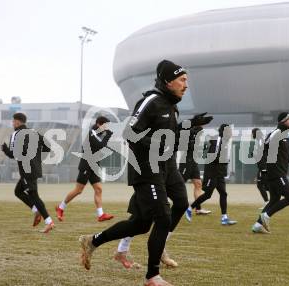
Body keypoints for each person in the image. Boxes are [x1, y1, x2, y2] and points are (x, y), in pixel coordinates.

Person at [79, 60, 211, 286]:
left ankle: (93, 241)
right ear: (168, 81)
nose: (186, 84)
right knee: (161, 217)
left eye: (186, 80)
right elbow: (130, 133)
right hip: (147, 169)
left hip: (166, 167)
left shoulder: (171, 105)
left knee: (172, 207)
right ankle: (152, 276)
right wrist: (156, 143)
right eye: (182, 79)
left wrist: (189, 126)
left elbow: (167, 136)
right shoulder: (150, 101)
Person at [1, 112, 55, 233]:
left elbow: (13, 154)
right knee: (18, 191)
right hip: (34, 168)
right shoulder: (34, 132)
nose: (12, 124)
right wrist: (35, 157)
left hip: (27, 170)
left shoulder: (16, 134)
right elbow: (47, 147)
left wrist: (4, 149)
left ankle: (49, 222)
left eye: (13, 121)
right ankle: (36, 211)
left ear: (18, 122)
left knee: (34, 195)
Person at [55, 116, 114, 222]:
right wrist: (108, 135)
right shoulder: (92, 133)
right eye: (105, 124)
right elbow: (101, 145)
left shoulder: (98, 133)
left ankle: (100, 215)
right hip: (86, 166)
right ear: (99, 124)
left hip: (94, 166)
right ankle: (60, 207)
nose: (107, 127)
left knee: (98, 189)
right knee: (78, 190)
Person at [251, 112, 289, 234]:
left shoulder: (284, 135)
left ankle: (258, 225)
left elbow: (282, 156)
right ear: (283, 121)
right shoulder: (276, 134)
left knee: (275, 199)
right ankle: (266, 216)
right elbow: (262, 152)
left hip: (276, 172)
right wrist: (264, 170)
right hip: (276, 173)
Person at [185, 124, 237, 226]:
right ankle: (189, 208)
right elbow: (213, 157)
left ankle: (224, 218)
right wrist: (225, 160)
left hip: (219, 173)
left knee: (223, 193)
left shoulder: (225, 142)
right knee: (208, 194)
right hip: (212, 173)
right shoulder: (217, 141)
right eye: (229, 131)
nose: (231, 133)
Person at [178, 122, 211, 215]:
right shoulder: (187, 135)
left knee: (198, 184)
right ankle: (160, 202)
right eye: (201, 129)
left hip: (193, 163)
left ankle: (198, 208)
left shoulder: (198, 137)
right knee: (178, 185)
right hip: (186, 163)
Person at [252, 127, 269, 209]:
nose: (252, 135)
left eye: (253, 133)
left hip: (263, 167)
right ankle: (269, 202)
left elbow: (262, 154)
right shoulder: (260, 140)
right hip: (262, 166)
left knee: (260, 185)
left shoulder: (261, 141)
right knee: (265, 185)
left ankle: (268, 202)